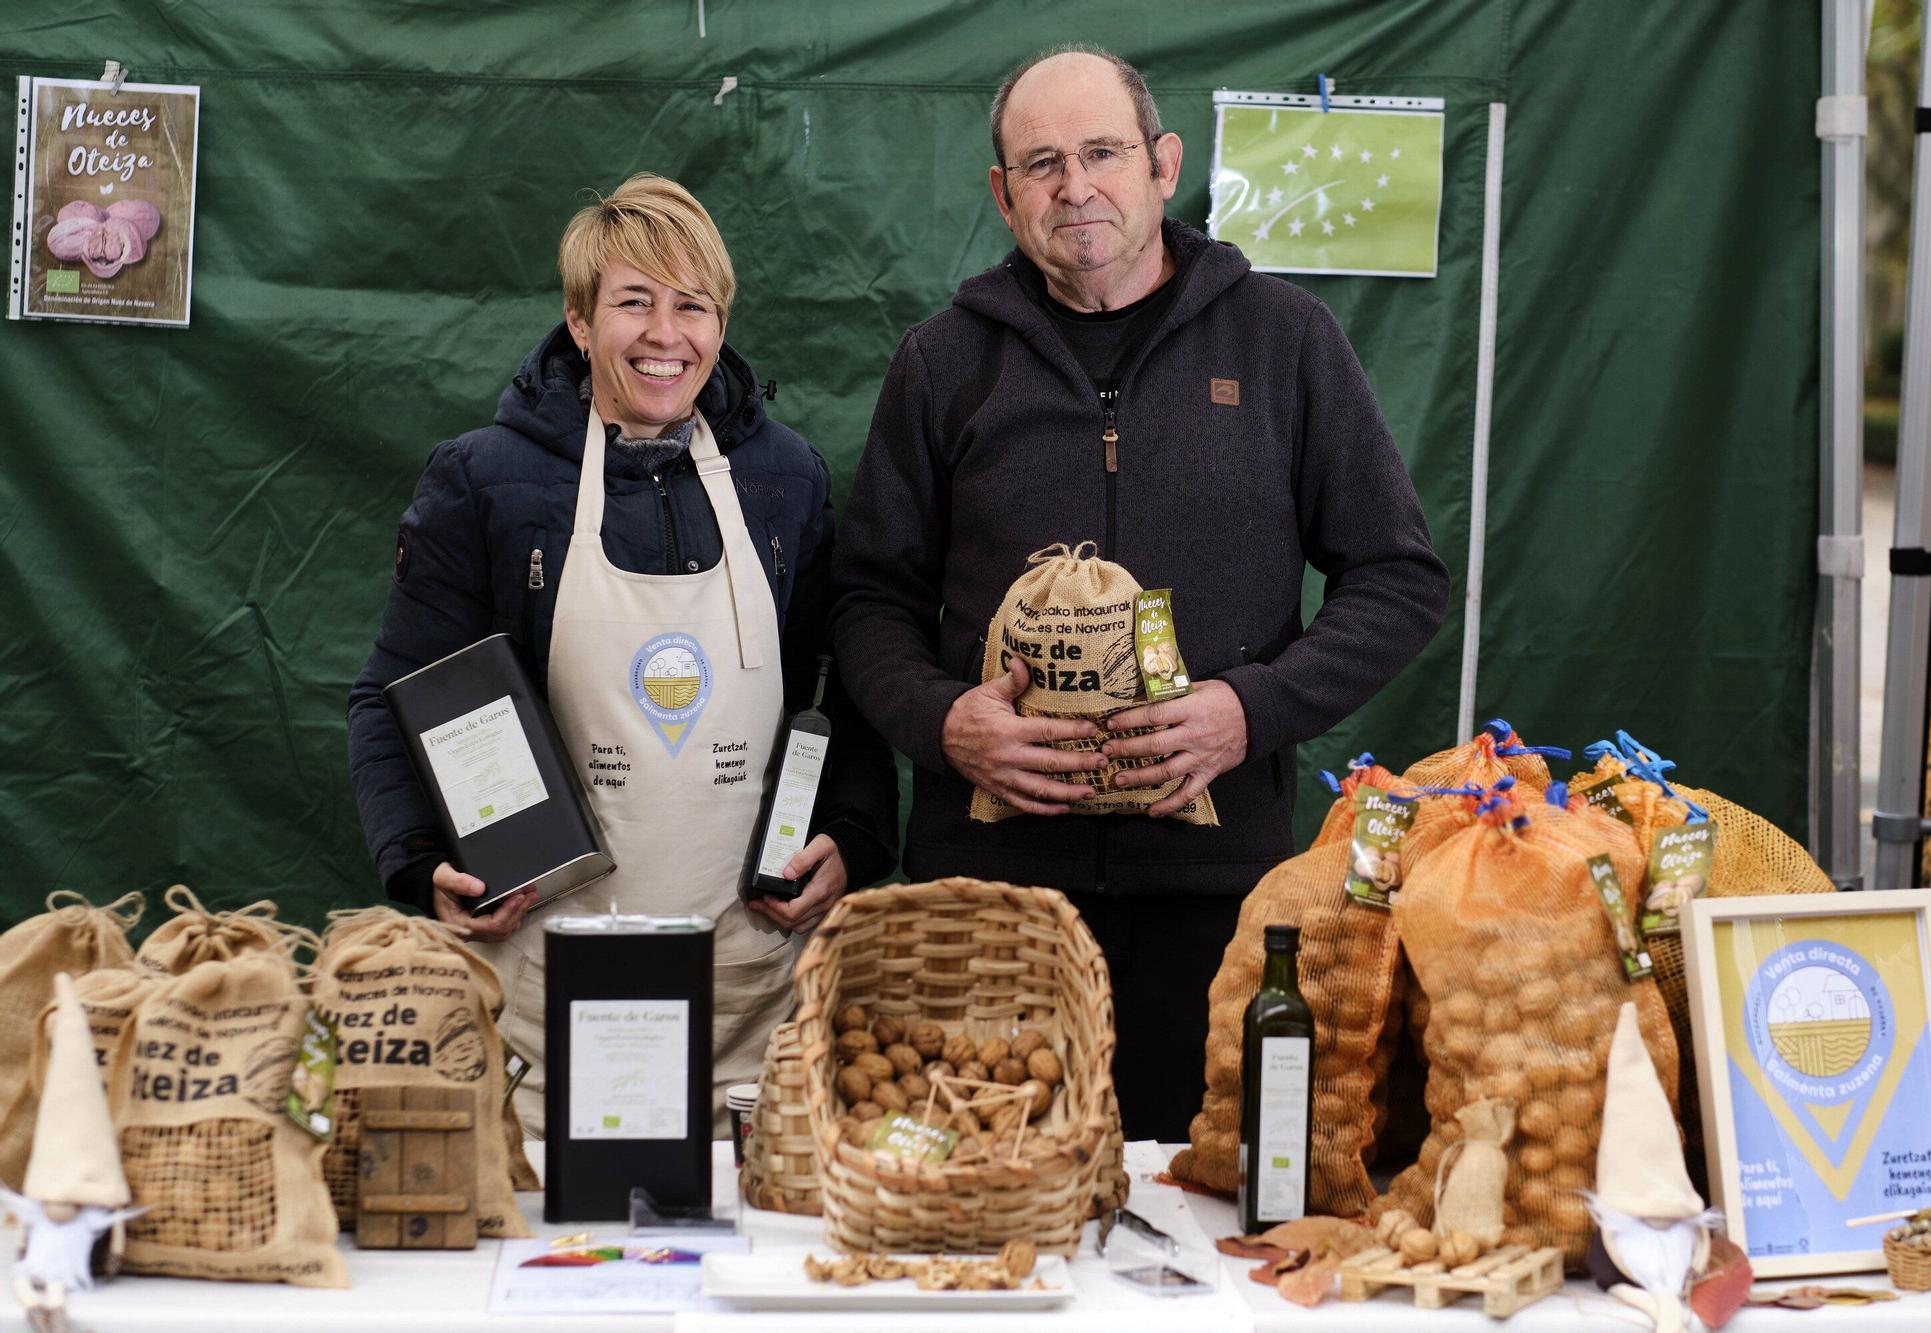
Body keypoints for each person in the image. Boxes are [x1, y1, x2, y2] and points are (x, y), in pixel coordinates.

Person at [831, 49, 1449, 1139]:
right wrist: (945, 725)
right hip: (989, 909)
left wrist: (1246, 711)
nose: (1076, 187)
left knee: (1200, 1226)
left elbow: (1396, 580)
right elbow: (868, 601)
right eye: (1041, 163)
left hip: (1216, 902)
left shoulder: (1286, 343)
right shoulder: (941, 364)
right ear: (1001, 193)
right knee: (984, 1223)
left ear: (1163, 165)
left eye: (1103, 152)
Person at [348, 172, 897, 1136]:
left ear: (721, 324)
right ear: (578, 319)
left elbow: (842, 692)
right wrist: (421, 859)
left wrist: (851, 831)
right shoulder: (485, 480)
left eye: (693, 306)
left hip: (750, 988)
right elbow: (392, 698)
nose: (665, 335)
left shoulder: (786, 479)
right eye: (634, 302)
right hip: (544, 988)